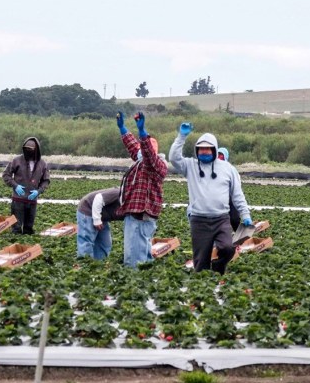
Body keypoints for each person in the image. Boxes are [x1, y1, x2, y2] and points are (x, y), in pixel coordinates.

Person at [169, 123, 253, 274]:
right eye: (201, 149)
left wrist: (245, 214)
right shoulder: (190, 166)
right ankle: (204, 287)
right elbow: (174, 158)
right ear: (197, 150)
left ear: (214, 149)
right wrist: (181, 136)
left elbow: (237, 195)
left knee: (227, 248)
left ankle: (218, 269)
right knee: (200, 262)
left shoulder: (228, 169)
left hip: (221, 219)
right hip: (199, 221)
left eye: (208, 148)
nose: (204, 151)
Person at [115, 111, 168, 268]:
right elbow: (134, 147)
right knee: (142, 255)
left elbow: (147, 153)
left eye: (143, 149)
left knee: (134, 259)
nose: (139, 152)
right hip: (134, 215)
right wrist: (123, 128)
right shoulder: (140, 162)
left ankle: (137, 286)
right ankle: (146, 282)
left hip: (141, 217)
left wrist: (143, 132)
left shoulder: (157, 165)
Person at [2, 137, 50, 235]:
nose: (28, 151)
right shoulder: (16, 161)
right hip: (18, 200)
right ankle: (16, 246)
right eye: (26, 149)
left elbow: (46, 180)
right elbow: (6, 175)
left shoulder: (42, 164)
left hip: (32, 200)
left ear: (36, 150)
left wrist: (39, 191)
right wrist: (15, 186)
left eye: (30, 150)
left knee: (29, 229)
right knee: (16, 229)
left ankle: (28, 246)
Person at [76, 187, 124, 260]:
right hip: (88, 209)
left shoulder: (139, 205)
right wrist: (97, 220)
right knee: (87, 240)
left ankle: (98, 264)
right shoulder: (118, 192)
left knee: (105, 243)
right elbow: (98, 198)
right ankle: (85, 264)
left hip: (102, 216)